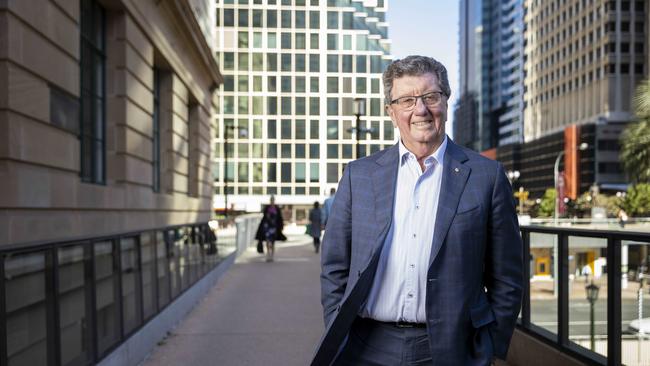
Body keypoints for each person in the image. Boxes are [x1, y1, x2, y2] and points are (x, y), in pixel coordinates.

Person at [312, 56, 523, 366]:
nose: (420, 110)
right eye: (407, 100)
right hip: (365, 348)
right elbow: (334, 266)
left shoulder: (486, 176)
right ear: (391, 112)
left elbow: (508, 277)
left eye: (430, 97)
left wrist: (490, 348)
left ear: (445, 102)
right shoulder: (359, 175)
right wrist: (337, 324)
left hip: (452, 350)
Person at [254, 195, 286, 262]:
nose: (272, 201)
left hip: (274, 228)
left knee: (273, 242)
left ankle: (272, 256)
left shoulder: (277, 208)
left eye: (273, 200)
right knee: (268, 241)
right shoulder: (267, 208)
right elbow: (264, 217)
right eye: (271, 200)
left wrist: (281, 226)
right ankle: (268, 254)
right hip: (267, 227)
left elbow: (279, 218)